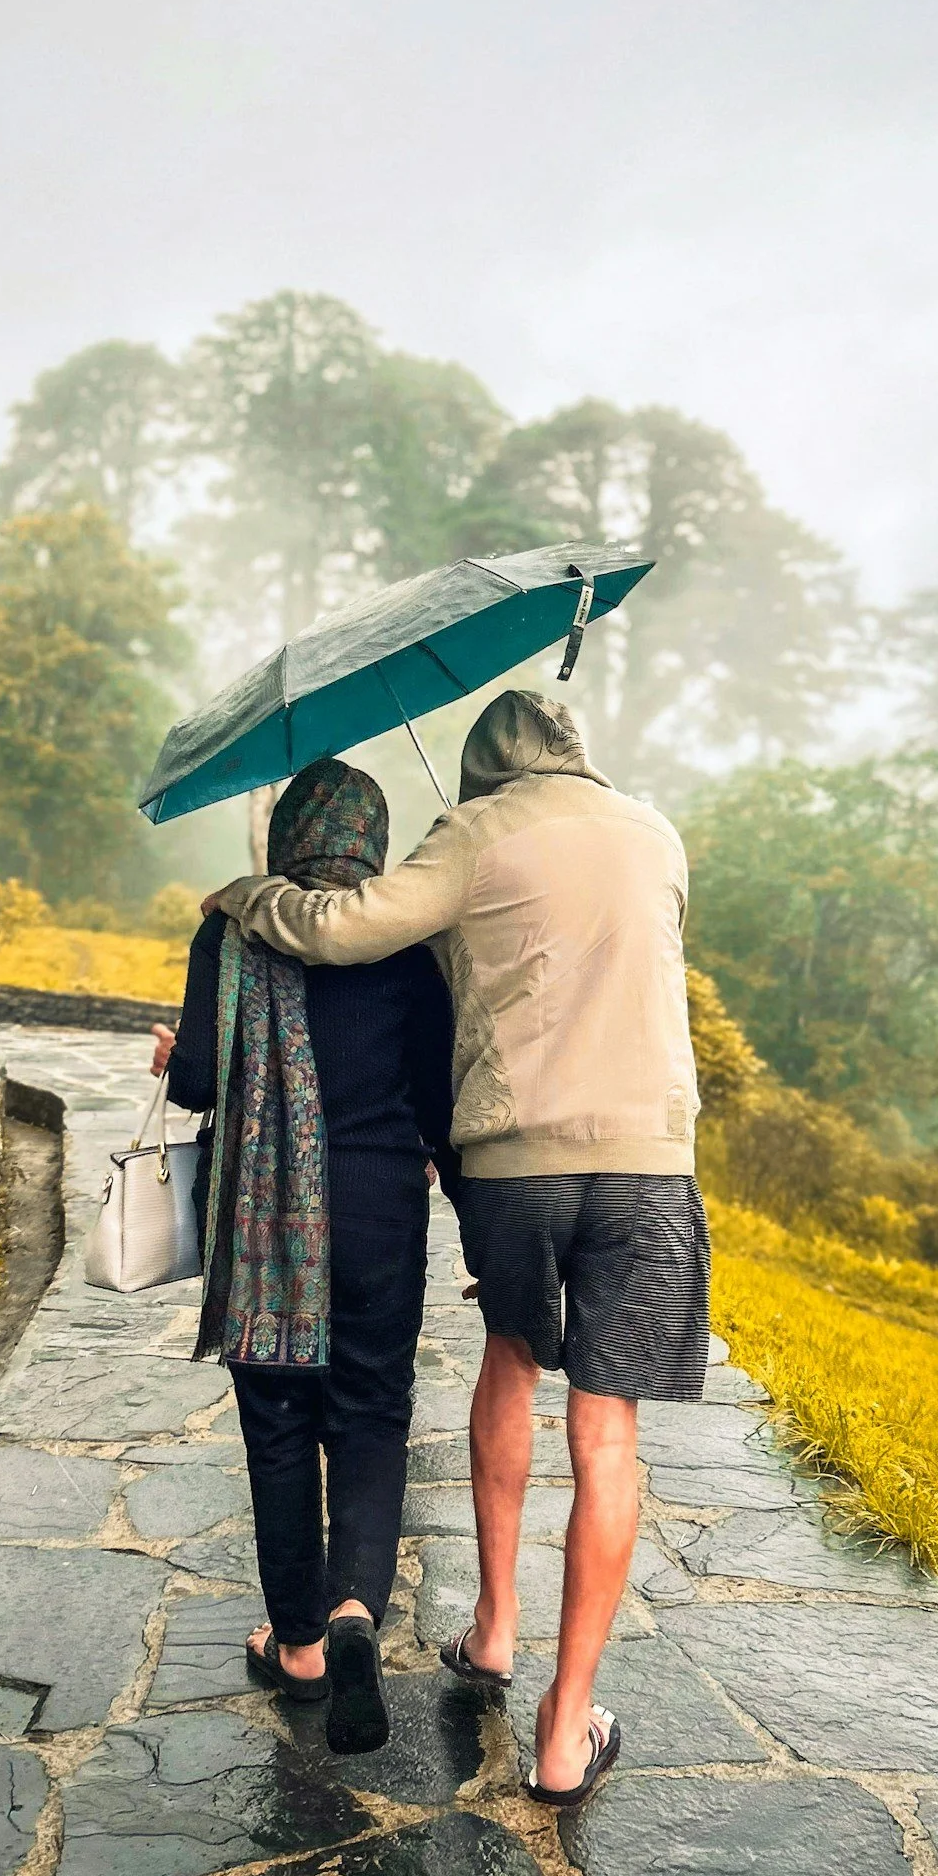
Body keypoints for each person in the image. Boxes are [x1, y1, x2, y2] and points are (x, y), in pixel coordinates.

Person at [205, 687, 706, 1807]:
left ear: (482, 767)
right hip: (648, 1159)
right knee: (606, 1432)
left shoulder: (474, 831)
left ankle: (491, 1629)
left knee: (513, 1363)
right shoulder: (655, 834)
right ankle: (567, 1732)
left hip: (522, 1163)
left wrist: (249, 897)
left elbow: (342, 928)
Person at [153, 756, 456, 1754]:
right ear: (370, 841)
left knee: (278, 1423)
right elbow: (440, 1103)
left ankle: (298, 1644)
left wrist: (176, 1055)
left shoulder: (232, 927)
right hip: (378, 1212)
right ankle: (356, 1609)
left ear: (288, 837)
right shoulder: (407, 942)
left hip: (263, 1220)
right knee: (371, 1412)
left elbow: (199, 1081)